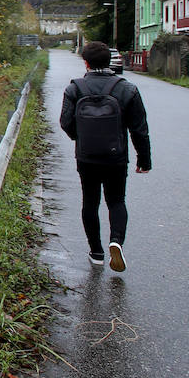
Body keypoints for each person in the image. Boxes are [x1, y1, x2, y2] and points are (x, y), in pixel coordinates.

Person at [60, 40, 152, 271]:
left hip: (87, 157)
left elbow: (65, 122)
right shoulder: (127, 88)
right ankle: (116, 241)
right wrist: (144, 160)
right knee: (117, 200)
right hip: (116, 157)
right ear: (109, 61)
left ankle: (96, 252)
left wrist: (81, 138)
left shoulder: (75, 88)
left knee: (90, 202)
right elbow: (139, 129)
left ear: (86, 62)